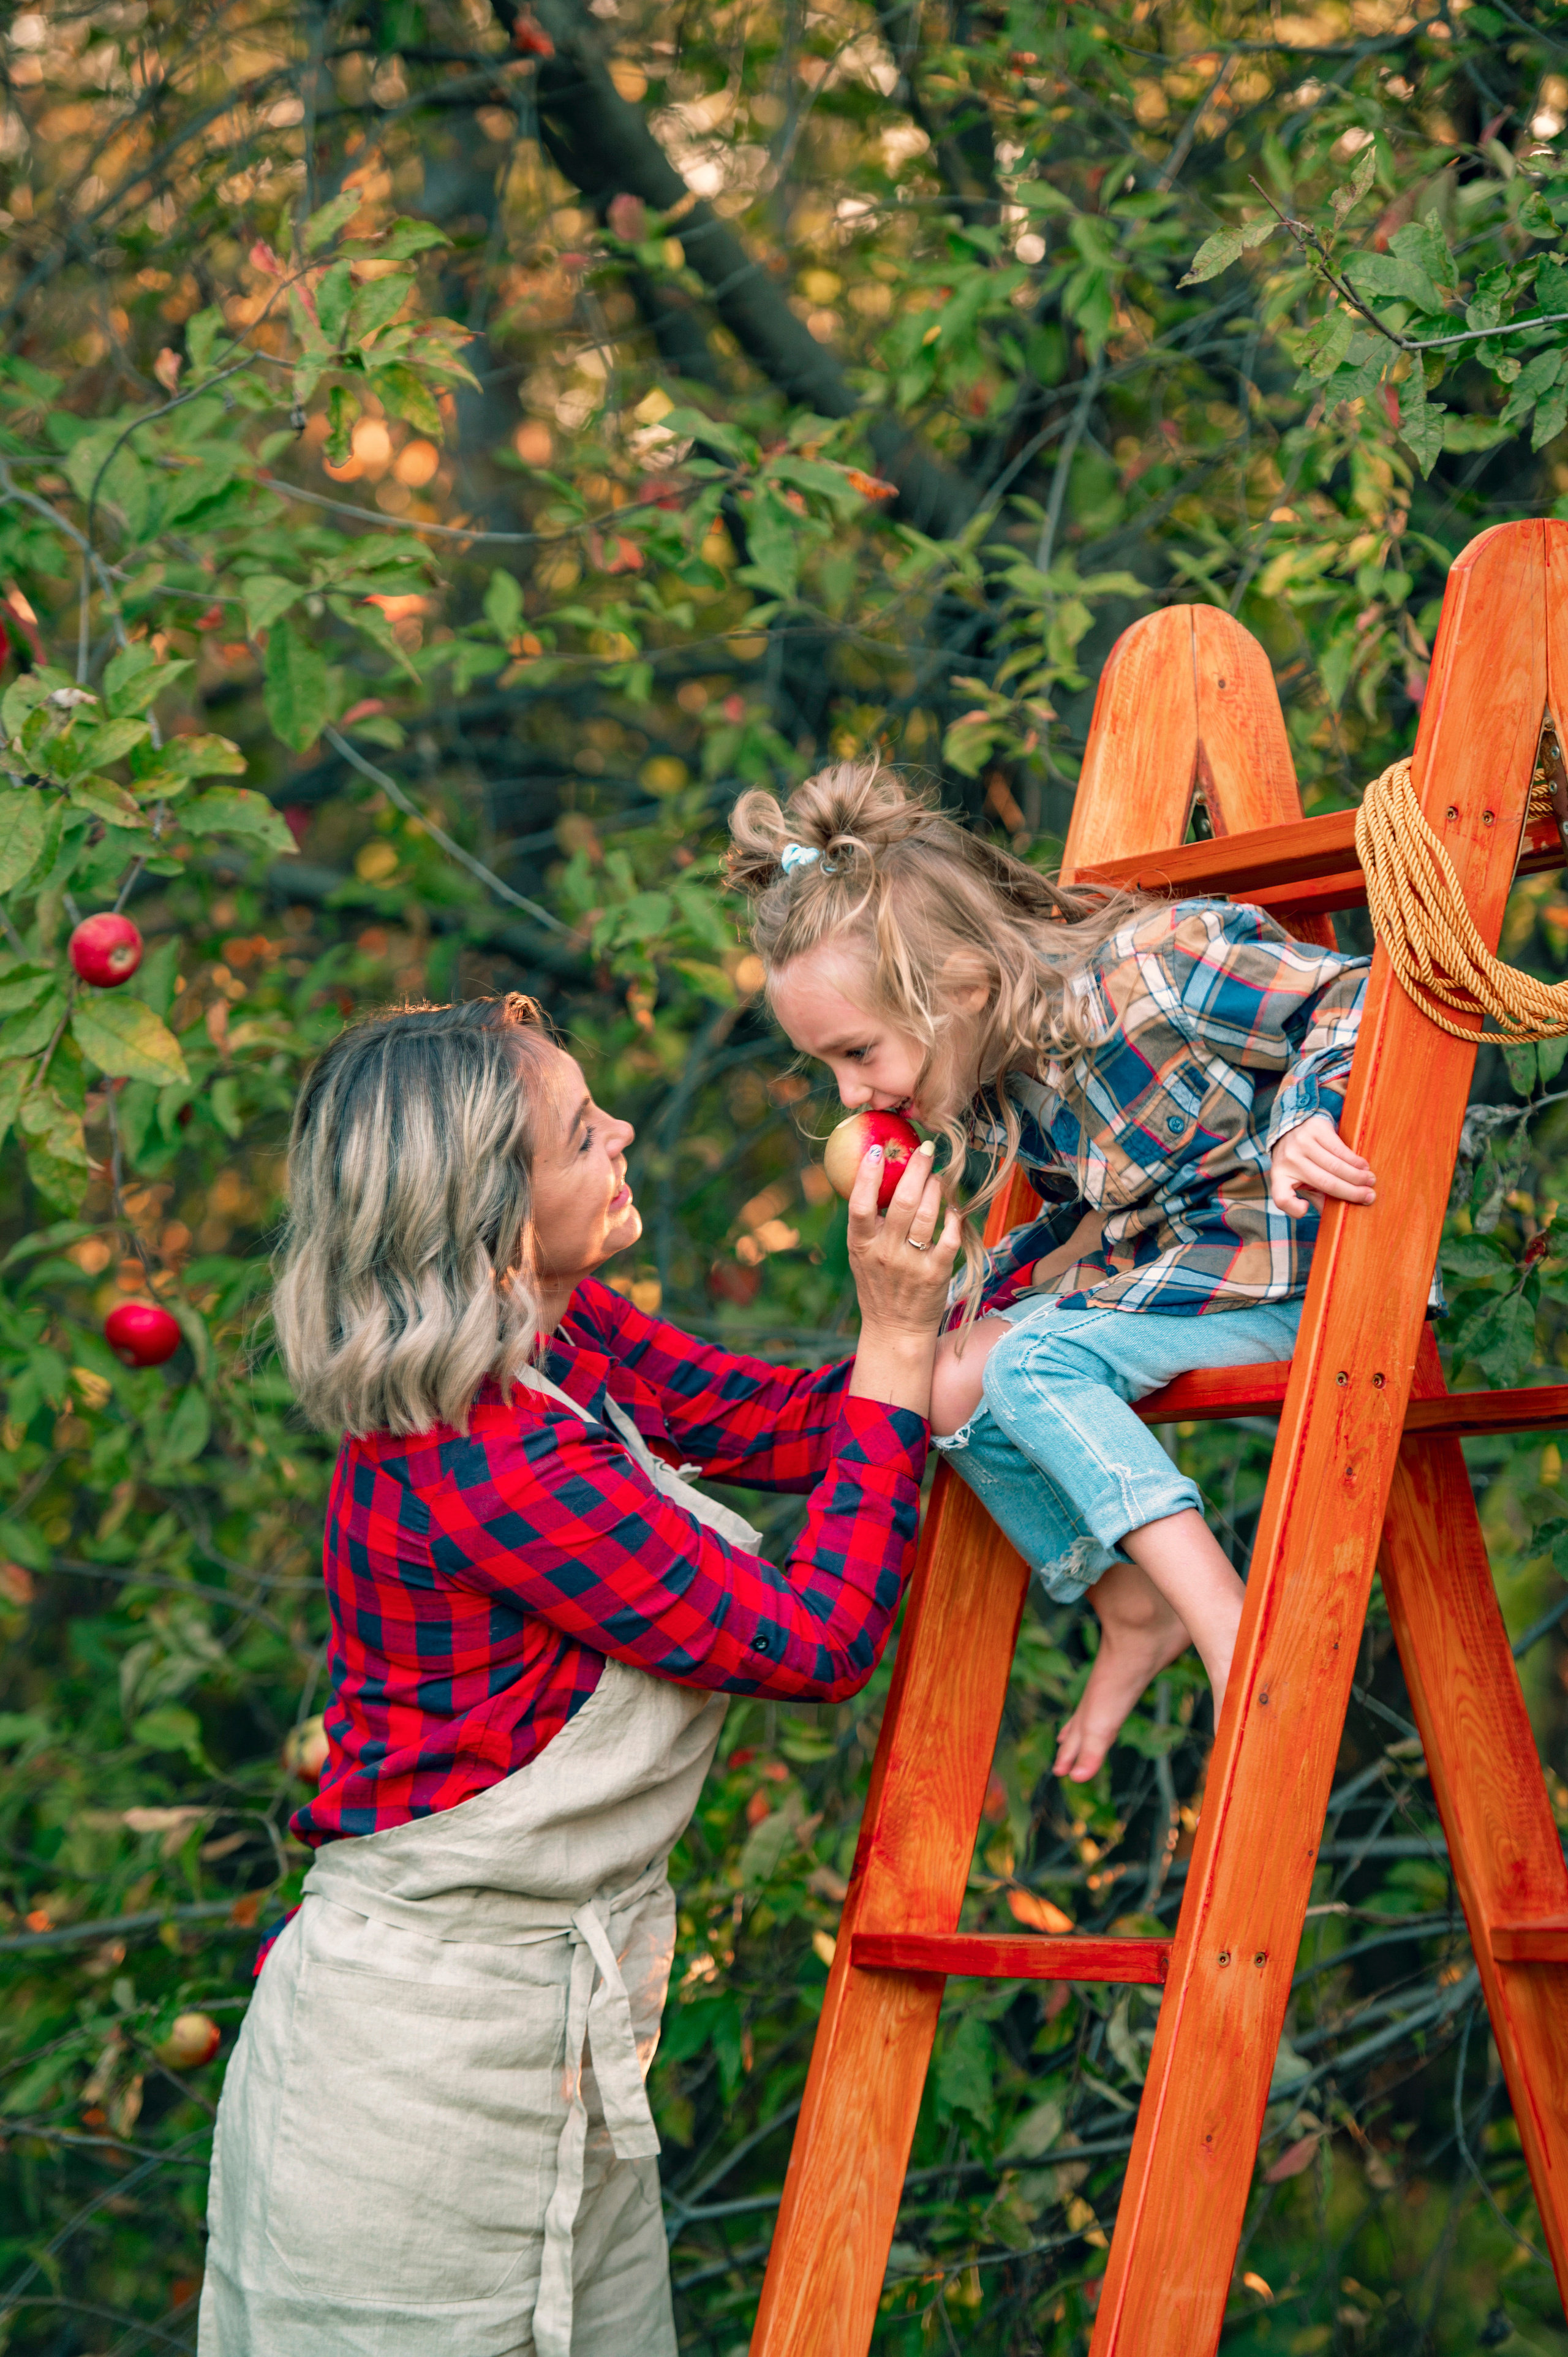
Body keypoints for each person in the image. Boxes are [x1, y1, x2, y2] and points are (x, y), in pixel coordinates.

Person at [198, 993, 959, 2357]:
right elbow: (815, 1638)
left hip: (559, 2038)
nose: (617, 1131)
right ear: (491, 1218)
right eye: (575, 1130)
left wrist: (963, 1336)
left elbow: (780, 1420)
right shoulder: (483, 1464)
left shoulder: (563, 1338)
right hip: (410, 2080)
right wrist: (900, 1350)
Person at [728, 763, 1378, 1786]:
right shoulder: (1003, 1072)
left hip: (1310, 1265)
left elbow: (1359, 999)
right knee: (947, 1377)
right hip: (1183, 1278)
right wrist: (965, 1279)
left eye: (857, 1053)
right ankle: (1137, 1606)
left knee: (1034, 1366)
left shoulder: (1157, 969)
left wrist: (1309, 1119)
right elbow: (1094, 1217)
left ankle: (1237, 1641)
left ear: (962, 990)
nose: (851, 1095)